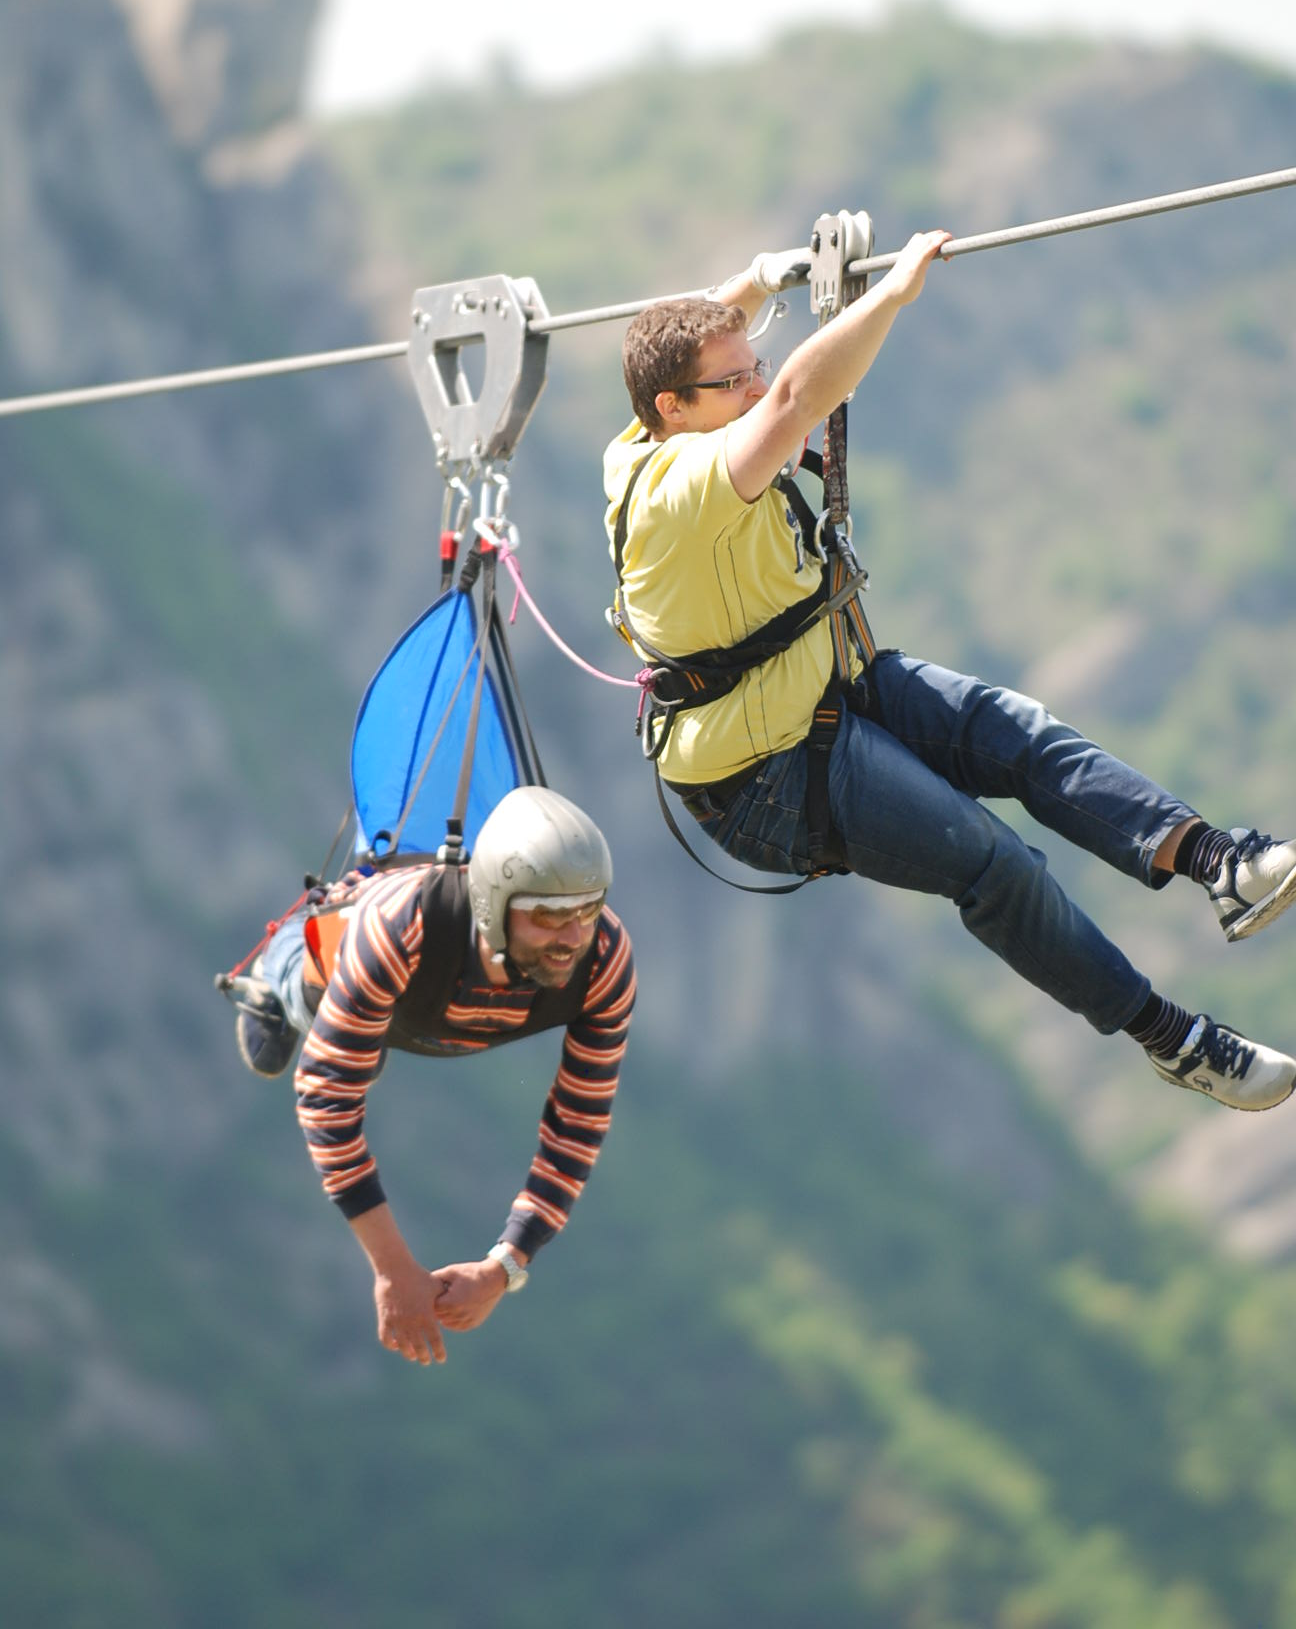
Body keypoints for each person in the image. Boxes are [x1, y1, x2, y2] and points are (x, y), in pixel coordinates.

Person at [604, 229, 1296, 1112]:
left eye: (751, 364)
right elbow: (790, 398)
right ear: (672, 408)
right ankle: (1173, 1039)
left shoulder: (639, 435)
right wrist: (888, 294)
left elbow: (714, 347)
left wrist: (753, 282)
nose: (748, 385)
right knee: (995, 865)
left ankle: (1216, 863)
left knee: (1022, 736)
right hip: (762, 776)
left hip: (826, 686)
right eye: (728, 381)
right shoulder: (680, 488)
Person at [228, 786, 635, 1366]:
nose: (572, 937)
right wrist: (393, 1271)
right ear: (497, 905)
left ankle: (364, 1029)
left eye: (587, 910)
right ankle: (278, 968)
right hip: (346, 955)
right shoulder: (401, 929)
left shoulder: (605, 959)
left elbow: (579, 1123)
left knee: (365, 1046)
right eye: (548, 915)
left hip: (424, 1005)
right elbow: (325, 1099)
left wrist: (504, 1267)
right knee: (327, 1025)